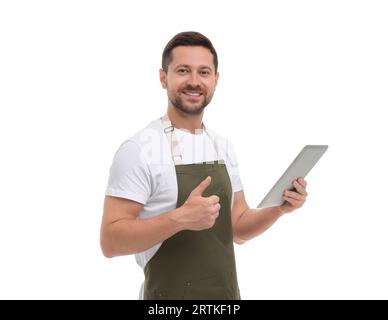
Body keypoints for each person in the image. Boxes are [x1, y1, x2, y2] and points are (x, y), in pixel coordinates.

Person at [100, 31, 308, 300]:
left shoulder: (222, 146)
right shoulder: (139, 149)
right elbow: (110, 241)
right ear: (164, 78)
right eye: (184, 70)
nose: (194, 82)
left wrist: (279, 209)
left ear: (216, 80)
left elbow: (238, 227)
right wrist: (178, 219)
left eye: (204, 72)